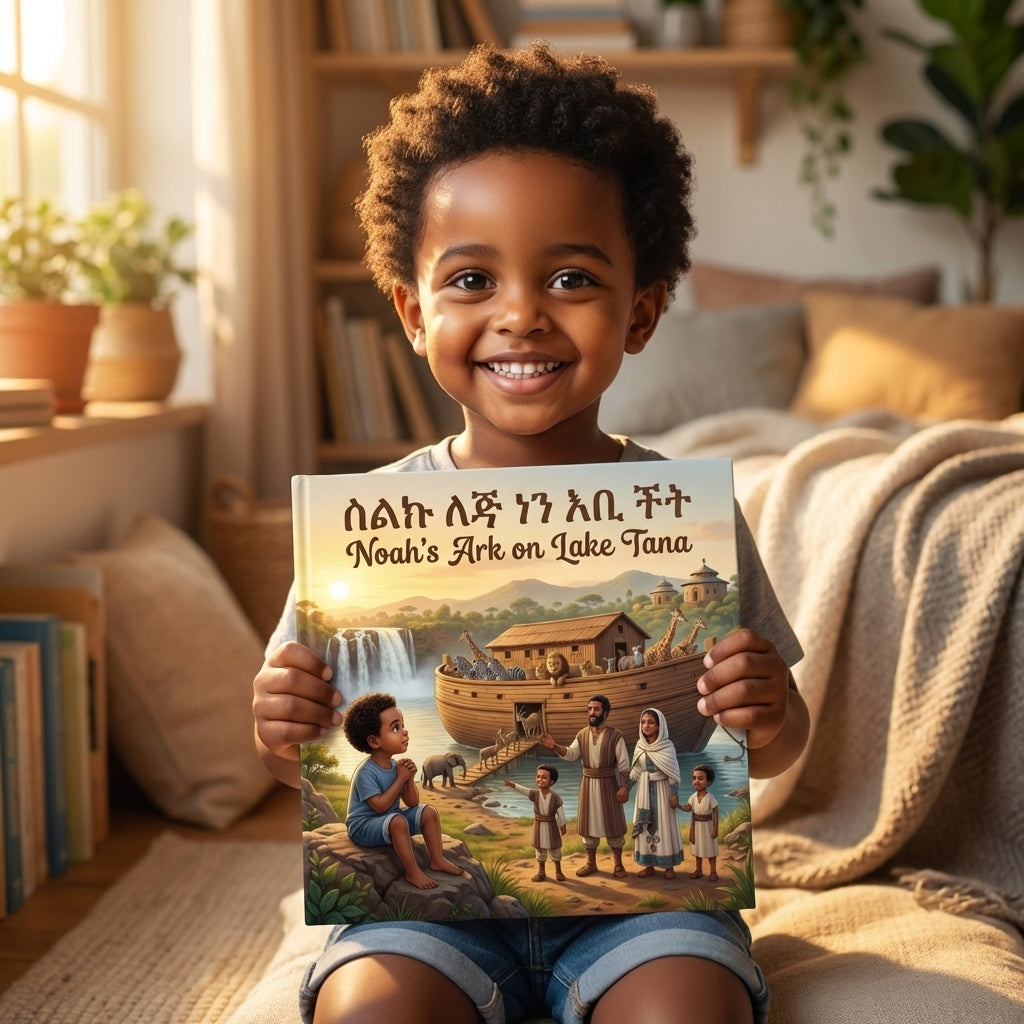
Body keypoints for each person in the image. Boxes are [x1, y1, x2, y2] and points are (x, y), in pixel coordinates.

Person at [252, 42, 810, 1024]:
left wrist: (765, 710)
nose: (521, 315)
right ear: (411, 312)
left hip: (644, 905)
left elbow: (771, 745)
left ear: (640, 312)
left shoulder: (690, 519)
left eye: (570, 279)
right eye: (471, 280)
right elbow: (297, 756)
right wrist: (277, 723)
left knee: (686, 1008)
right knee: (369, 1009)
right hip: (425, 909)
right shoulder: (365, 529)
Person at [340, 692, 463, 890]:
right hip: (363, 826)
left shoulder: (395, 765)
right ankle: (413, 872)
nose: (404, 732)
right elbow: (379, 806)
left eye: (403, 725)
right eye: (395, 728)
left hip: (390, 818)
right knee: (397, 822)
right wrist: (400, 778)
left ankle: (437, 859)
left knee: (428, 812)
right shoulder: (366, 773)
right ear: (374, 741)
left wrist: (409, 779)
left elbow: (412, 803)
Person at [538, 695, 630, 879]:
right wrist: (555, 746)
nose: (592, 713)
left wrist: (624, 788)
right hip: (588, 785)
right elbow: (572, 755)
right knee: (589, 825)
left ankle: (618, 865)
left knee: (613, 824)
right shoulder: (582, 734)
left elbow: (624, 765)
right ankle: (591, 863)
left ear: (605, 712)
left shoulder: (616, 736)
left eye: (596, 709)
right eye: (589, 709)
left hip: (609, 785)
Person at [626, 707, 683, 879]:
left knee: (665, 827)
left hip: (662, 791)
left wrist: (674, 794)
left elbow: (673, 773)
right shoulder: (639, 746)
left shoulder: (667, 746)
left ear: (659, 726)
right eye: (643, 722)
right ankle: (648, 865)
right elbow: (635, 772)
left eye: (651, 722)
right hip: (643, 792)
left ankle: (668, 866)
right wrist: (626, 789)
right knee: (644, 829)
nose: (646, 725)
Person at [504, 763, 567, 881]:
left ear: (552, 782)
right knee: (539, 849)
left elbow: (560, 812)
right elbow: (525, 790)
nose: (540, 779)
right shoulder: (535, 794)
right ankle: (541, 872)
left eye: (544, 777)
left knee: (555, 849)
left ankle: (558, 871)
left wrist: (562, 825)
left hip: (551, 826)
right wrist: (513, 785)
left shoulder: (555, 797)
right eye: (538, 776)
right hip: (539, 826)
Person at [682, 763, 720, 881]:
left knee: (710, 849)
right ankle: (698, 870)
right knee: (697, 849)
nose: (696, 781)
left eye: (701, 778)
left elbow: (715, 814)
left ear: (708, 782)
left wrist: (715, 829)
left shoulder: (710, 798)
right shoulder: (693, 797)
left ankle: (713, 871)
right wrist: (677, 805)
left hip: (708, 827)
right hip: (697, 827)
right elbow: (689, 809)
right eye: (694, 778)